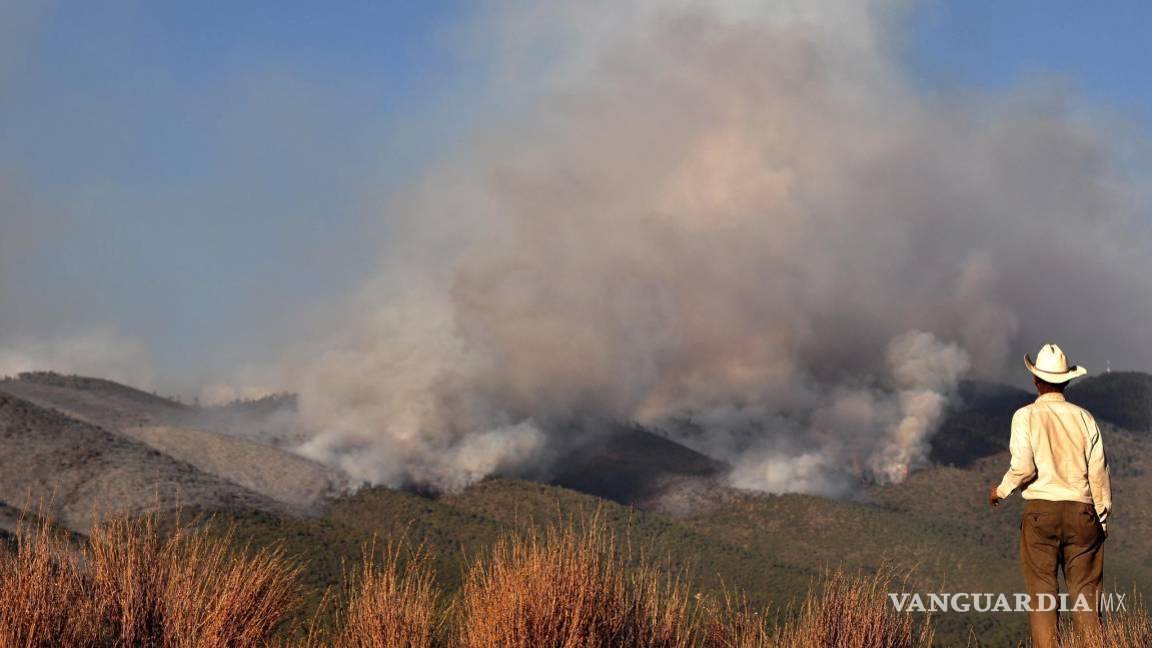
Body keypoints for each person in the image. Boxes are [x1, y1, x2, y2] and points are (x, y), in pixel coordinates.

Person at [989, 343, 1111, 648]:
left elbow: (1024, 468)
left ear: (1035, 380)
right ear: (1067, 380)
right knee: (1086, 597)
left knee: (1043, 595)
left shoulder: (1025, 416)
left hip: (1040, 512)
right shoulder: (1085, 418)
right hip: (1083, 511)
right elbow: (1098, 474)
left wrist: (1001, 491)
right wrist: (1102, 521)